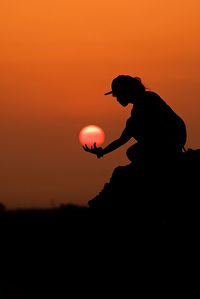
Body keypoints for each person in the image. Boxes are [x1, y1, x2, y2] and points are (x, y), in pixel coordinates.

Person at [83, 75, 187, 163]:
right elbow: (123, 138)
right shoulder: (148, 99)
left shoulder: (146, 102)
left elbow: (123, 138)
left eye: (118, 95)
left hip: (170, 140)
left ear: (126, 92)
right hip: (174, 139)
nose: (117, 99)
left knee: (133, 152)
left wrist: (103, 152)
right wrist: (103, 152)